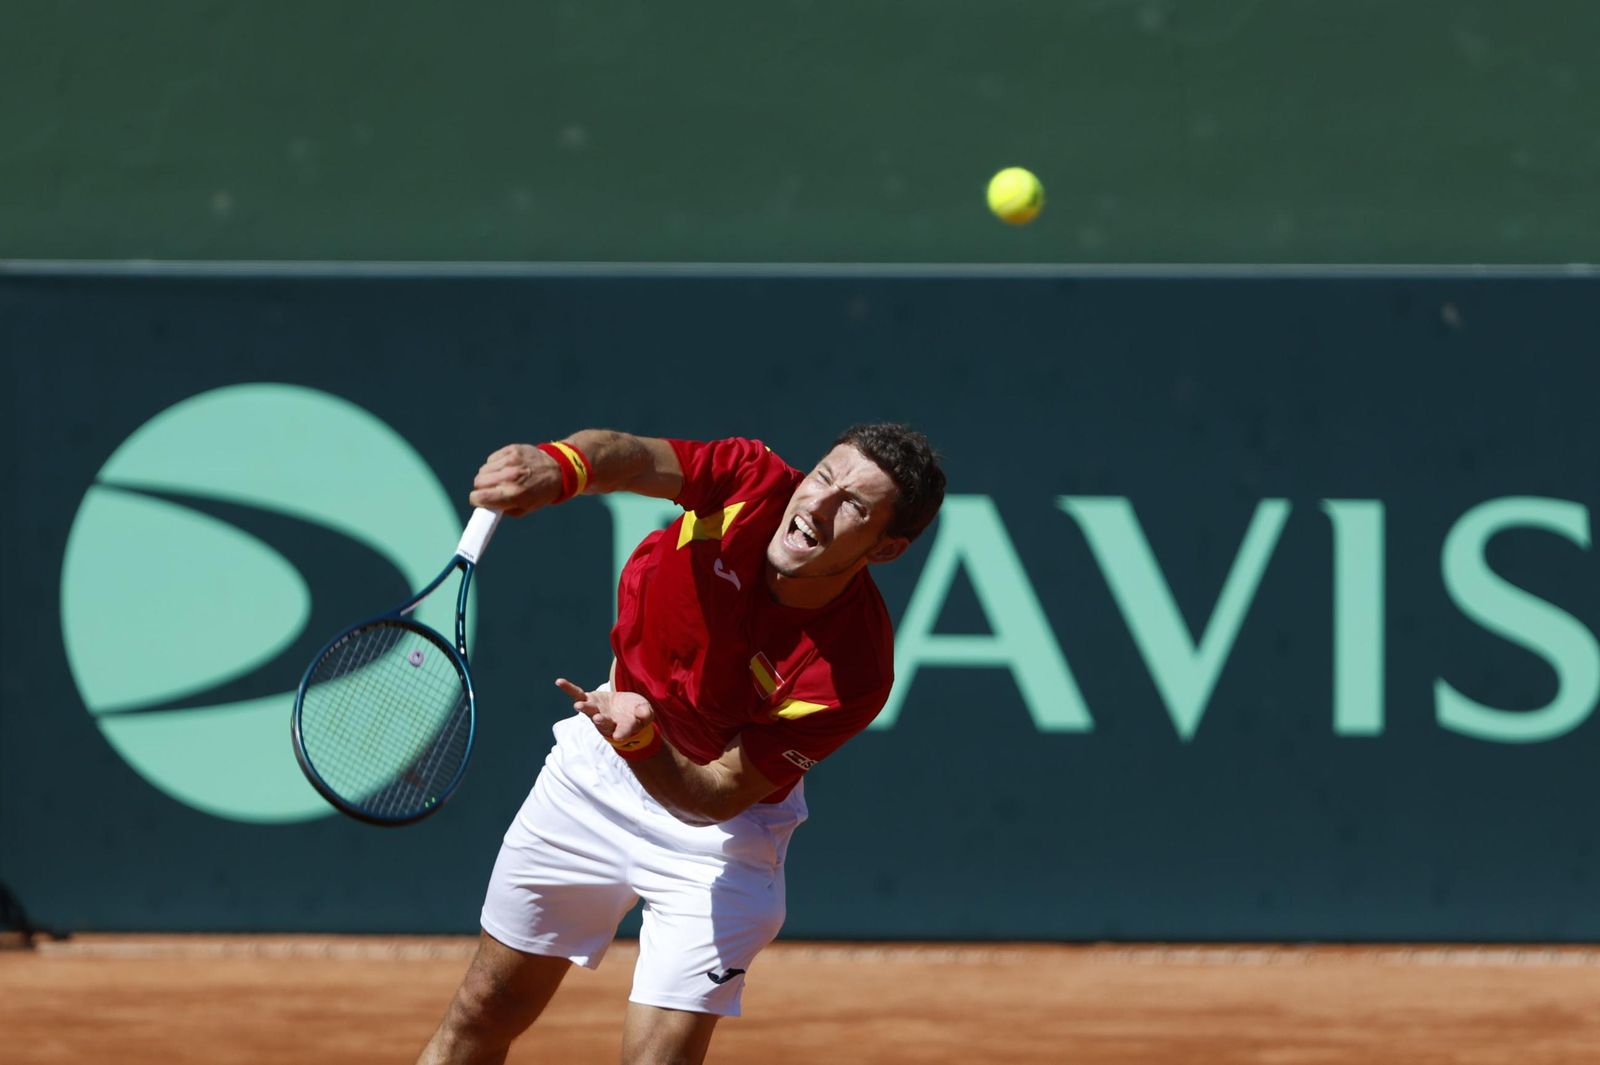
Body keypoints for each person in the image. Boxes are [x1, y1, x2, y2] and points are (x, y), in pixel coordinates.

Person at [417, 424, 945, 1065]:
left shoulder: (853, 669)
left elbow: (720, 793)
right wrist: (559, 467)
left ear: (885, 549)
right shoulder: (750, 482)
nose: (817, 506)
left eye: (854, 507)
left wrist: (642, 742)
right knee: (482, 1010)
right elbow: (634, 457)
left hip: (720, 840)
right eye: (824, 477)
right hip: (595, 774)